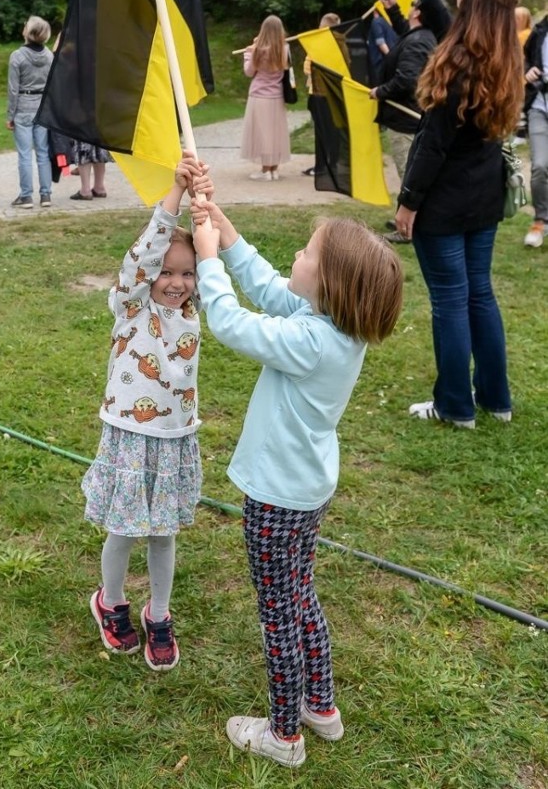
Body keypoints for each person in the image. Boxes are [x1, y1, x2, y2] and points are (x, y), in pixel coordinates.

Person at [189, 185, 403, 768]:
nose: (296, 259)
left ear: (329, 285)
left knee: (278, 611)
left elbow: (233, 322)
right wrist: (223, 228)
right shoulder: (331, 326)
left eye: (306, 255)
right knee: (300, 595)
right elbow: (264, 286)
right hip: (303, 493)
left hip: (277, 498)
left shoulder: (311, 340)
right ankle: (320, 707)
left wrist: (206, 259)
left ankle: (283, 735)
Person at [82, 152, 204, 672]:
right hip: (131, 434)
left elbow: (216, 265)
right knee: (126, 528)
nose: (175, 283)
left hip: (174, 438)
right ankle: (110, 601)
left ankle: (159, 613)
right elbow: (141, 257)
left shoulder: (195, 313)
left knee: (163, 532)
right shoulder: (132, 306)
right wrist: (174, 199)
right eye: (166, 273)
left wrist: (205, 213)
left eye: (186, 273)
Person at [394, 0, 523, 427]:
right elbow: (456, 29)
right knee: (479, 296)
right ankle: (496, 399)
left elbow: (431, 146)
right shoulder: (502, 52)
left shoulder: (460, 61)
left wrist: (408, 202)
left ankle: (454, 407)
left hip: (445, 203)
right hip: (482, 200)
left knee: (450, 300)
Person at [369, 0, 438, 242]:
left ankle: (407, 228)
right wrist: (394, 9)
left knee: (408, 172)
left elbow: (407, 79)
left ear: (418, 13)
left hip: (406, 117)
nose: (409, 9)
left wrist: (380, 91)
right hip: (408, 116)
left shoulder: (419, 41)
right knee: (408, 171)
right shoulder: (421, 36)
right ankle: (406, 219)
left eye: (412, 7)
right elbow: (405, 36)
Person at [7, 16, 54, 209]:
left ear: (29, 32)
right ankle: (46, 195)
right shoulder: (49, 56)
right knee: (43, 153)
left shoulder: (17, 56)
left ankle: (26, 195)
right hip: (42, 107)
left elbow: (13, 89)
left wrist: (10, 116)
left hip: (23, 108)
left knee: (25, 154)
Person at [241, 15, 291, 181]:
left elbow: (249, 72)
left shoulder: (258, 50)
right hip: (277, 96)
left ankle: (265, 171)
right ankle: (274, 170)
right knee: (275, 133)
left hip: (259, 96)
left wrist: (248, 54)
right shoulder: (284, 49)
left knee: (263, 134)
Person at [302, 12, 340, 177]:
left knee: (322, 132)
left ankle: (321, 167)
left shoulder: (319, 45)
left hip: (319, 94)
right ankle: (333, 164)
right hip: (336, 94)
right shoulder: (342, 44)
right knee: (333, 130)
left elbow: (307, 68)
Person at [522, 4, 548, 248]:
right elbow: (525, 58)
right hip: (539, 106)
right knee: (539, 165)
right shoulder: (539, 32)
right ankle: (541, 219)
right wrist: (528, 71)